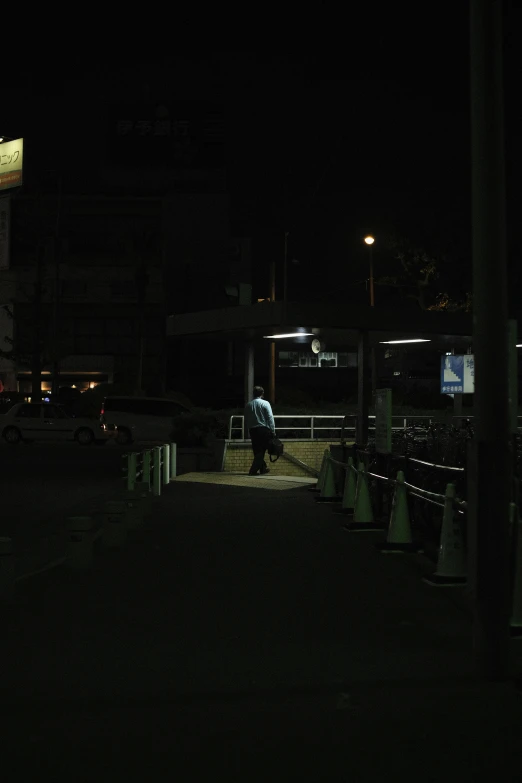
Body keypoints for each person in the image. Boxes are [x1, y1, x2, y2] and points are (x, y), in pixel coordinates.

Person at [244, 385, 275, 476]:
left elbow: (247, 418)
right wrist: (273, 430)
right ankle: (253, 470)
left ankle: (263, 468)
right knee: (261, 450)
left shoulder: (248, 405)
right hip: (263, 429)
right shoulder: (265, 403)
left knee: (257, 450)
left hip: (253, 430)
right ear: (262, 393)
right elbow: (270, 418)